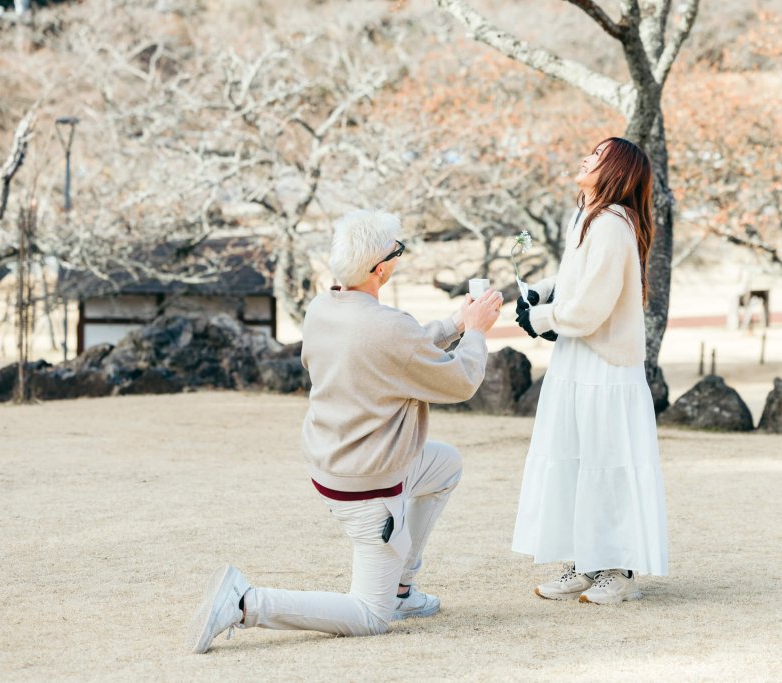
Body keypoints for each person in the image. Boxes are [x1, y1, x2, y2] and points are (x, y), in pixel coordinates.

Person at [188, 209, 503, 653]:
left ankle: (401, 588)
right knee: (370, 616)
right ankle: (245, 603)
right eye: (397, 251)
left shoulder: (322, 308)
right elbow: (461, 380)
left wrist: (455, 324)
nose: (399, 257)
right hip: (369, 487)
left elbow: (399, 346)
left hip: (334, 463)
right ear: (380, 269)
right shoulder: (389, 327)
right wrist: (476, 333)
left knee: (445, 464)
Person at [512, 137, 668, 604]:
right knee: (576, 459)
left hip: (606, 366)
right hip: (576, 361)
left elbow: (592, 305)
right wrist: (542, 292)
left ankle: (619, 571)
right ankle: (585, 561)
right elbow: (576, 277)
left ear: (616, 170)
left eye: (598, 156)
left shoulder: (614, 225)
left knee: (608, 462)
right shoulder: (586, 216)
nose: (586, 158)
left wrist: (542, 319)